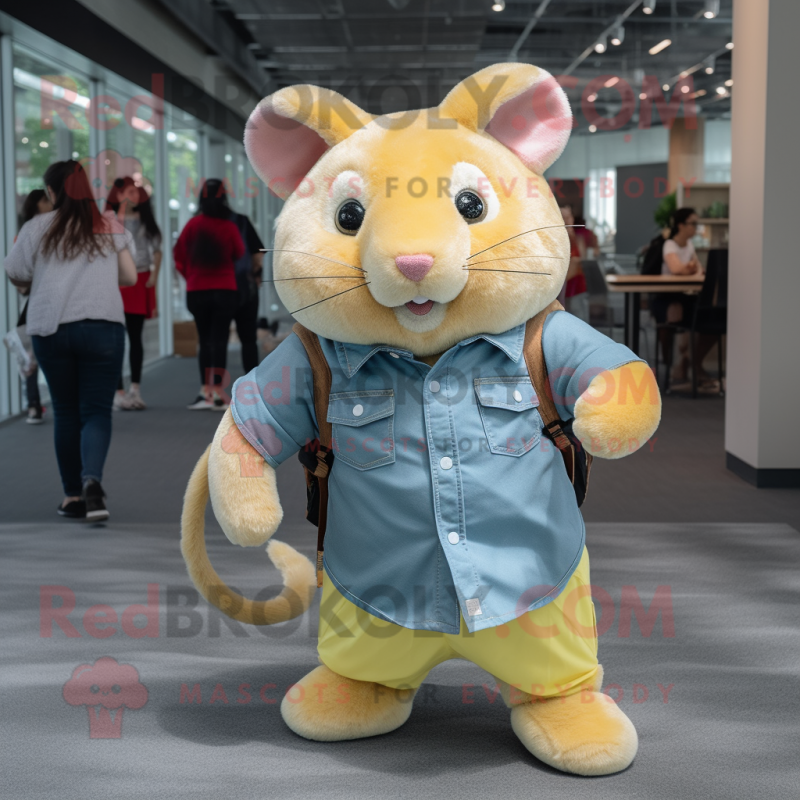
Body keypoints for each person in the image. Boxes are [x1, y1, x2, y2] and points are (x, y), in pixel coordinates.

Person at [4, 160, 137, 520]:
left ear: (51, 192)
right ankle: (93, 481)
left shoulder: (37, 226)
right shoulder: (109, 223)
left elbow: (14, 270)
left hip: (52, 328)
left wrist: (38, 280)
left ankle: (73, 496)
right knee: (95, 410)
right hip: (103, 327)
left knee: (65, 411)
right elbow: (128, 275)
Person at [173, 179, 244, 410]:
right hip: (225, 289)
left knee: (204, 341)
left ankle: (205, 392)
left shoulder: (193, 225)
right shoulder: (229, 227)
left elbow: (179, 256)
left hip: (197, 290)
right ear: (224, 198)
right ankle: (218, 394)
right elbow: (239, 252)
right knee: (220, 341)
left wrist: (191, 277)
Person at [106, 178, 163, 410]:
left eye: (135, 193)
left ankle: (135, 389)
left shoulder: (146, 222)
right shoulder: (109, 221)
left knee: (135, 337)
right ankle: (118, 391)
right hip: (115, 282)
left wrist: (154, 277)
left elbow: (157, 251)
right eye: (125, 193)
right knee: (115, 339)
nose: (131, 197)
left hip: (139, 280)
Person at [651, 208, 715, 385]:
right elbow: (677, 269)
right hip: (667, 298)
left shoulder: (690, 245)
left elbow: (698, 269)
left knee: (712, 318)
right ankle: (677, 363)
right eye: (693, 223)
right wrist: (689, 268)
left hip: (686, 296)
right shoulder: (669, 244)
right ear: (681, 225)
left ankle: (690, 361)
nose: (696, 227)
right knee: (676, 314)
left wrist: (689, 268)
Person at [15, 189, 53, 423]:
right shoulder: (29, 232)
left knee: (35, 352)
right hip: (39, 300)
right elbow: (17, 271)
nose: (49, 203)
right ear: (34, 205)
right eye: (44, 200)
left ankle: (34, 405)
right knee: (31, 353)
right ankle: (33, 405)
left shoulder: (49, 228)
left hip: (43, 299)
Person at [229, 202, 265, 375]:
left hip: (217, 288)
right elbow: (258, 253)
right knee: (248, 338)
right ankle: (251, 384)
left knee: (215, 341)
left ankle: (212, 389)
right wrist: (256, 274)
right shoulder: (240, 221)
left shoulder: (200, 222)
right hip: (244, 285)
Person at [558, 202, 587, 318]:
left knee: (579, 319)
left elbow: (582, 260)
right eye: (562, 217)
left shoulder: (578, 238)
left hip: (577, 289)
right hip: (561, 291)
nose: (566, 221)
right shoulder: (556, 240)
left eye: (568, 217)